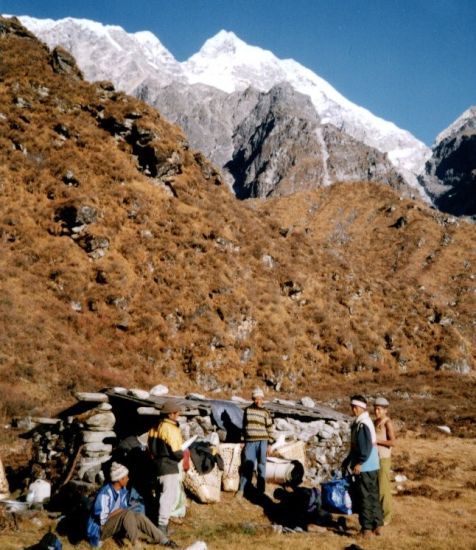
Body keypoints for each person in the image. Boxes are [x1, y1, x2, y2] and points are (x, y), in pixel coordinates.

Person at [86, 462, 176, 548]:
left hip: (115, 524)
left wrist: (122, 512)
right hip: (99, 530)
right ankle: (136, 544)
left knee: (138, 516)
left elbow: (123, 510)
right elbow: (102, 520)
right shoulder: (104, 494)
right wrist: (120, 511)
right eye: (126, 477)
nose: (128, 479)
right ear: (120, 479)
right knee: (127, 513)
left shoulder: (122, 491)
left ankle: (164, 540)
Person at [342, 395, 383, 538]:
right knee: (373, 496)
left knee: (364, 497)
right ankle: (377, 525)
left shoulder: (362, 424)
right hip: (372, 465)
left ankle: (366, 529)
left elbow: (364, 448)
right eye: (352, 407)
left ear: (361, 407)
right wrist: (348, 460)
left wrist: (358, 463)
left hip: (365, 466)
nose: (353, 409)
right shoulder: (365, 422)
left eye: (355, 407)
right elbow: (357, 447)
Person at [148, 400, 184, 537]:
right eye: (176, 413)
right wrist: (183, 453)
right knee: (167, 498)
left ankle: (159, 526)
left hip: (156, 466)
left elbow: (150, 448)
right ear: (170, 414)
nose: (178, 415)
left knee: (159, 496)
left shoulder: (155, 426)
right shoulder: (171, 429)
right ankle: (162, 530)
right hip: (169, 466)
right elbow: (176, 452)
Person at [237, 387, 274, 497]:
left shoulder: (266, 412)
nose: (258, 401)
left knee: (262, 465)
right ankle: (242, 489)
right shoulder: (247, 410)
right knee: (247, 465)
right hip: (250, 442)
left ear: (263, 399)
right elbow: (244, 426)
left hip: (263, 441)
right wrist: (242, 441)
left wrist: (270, 444)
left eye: (260, 398)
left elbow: (270, 428)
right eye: (256, 398)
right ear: (253, 399)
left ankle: (260, 490)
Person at [374, 396, 396, 526]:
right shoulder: (374, 422)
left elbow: (393, 442)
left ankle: (387, 517)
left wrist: (378, 441)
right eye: (375, 409)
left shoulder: (387, 423)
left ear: (385, 410)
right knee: (376, 488)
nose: (377, 412)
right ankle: (379, 514)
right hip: (375, 459)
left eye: (379, 409)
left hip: (384, 459)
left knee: (384, 488)